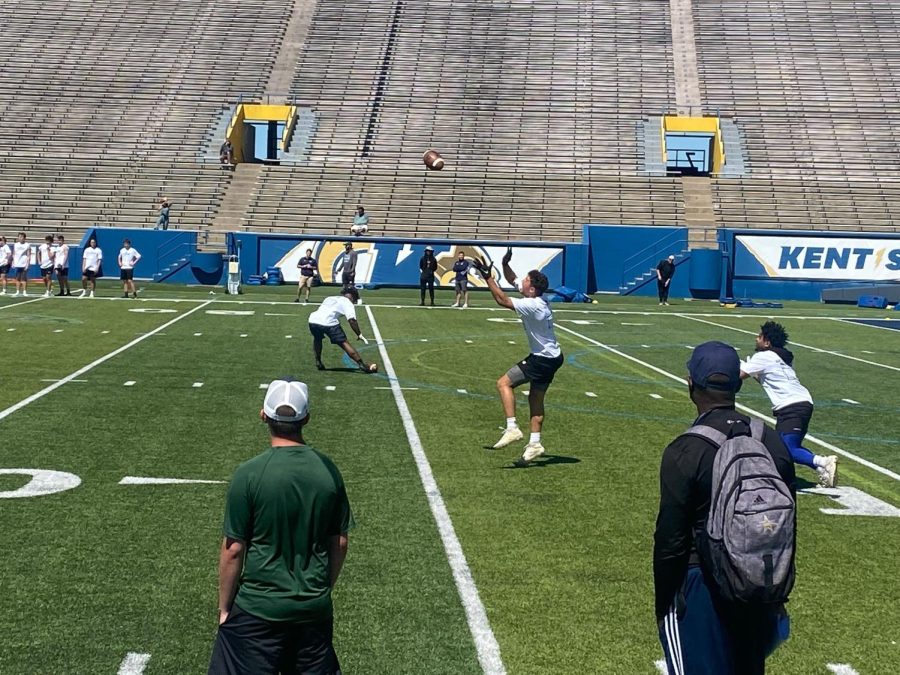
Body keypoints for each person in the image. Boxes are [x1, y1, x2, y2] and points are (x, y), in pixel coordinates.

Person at [655, 341, 795, 675]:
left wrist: (664, 604)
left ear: (692, 384)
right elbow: (786, 524)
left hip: (701, 583)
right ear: (738, 383)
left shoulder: (686, 449)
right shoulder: (770, 440)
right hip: (758, 584)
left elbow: (671, 539)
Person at [208, 378, 353, 675]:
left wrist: (224, 609)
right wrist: (320, 590)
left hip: (257, 610)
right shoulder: (328, 472)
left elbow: (234, 550)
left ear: (263, 415)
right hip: (313, 610)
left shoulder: (248, 474)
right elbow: (339, 542)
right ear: (307, 418)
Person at [471, 250, 563, 466]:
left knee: (504, 383)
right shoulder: (538, 298)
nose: (521, 281)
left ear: (531, 288)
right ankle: (535, 444)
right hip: (553, 357)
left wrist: (487, 277)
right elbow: (512, 280)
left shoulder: (532, 306)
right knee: (535, 399)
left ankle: (512, 428)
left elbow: (501, 300)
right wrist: (504, 264)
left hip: (540, 359)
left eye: (526, 280)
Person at [741, 321, 837, 488]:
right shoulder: (781, 357)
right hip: (801, 404)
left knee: (785, 449)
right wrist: (755, 372)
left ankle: (823, 461)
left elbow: (739, 375)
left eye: (759, 336)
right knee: (788, 446)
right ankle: (822, 469)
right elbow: (769, 379)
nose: (756, 339)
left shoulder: (763, 357)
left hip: (791, 407)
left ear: (767, 341)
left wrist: (737, 365)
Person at [308, 287, 374, 373]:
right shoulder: (347, 303)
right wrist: (359, 334)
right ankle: (361, 364)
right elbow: (352, 320)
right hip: (329, 322)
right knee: (344, 343)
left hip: (313, 320)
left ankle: (318, 361)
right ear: (353, 296)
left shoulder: (330, 298)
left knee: (317, 339)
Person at [11, 232, 31, 297]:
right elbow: (13, 254)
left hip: (24, 264)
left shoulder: (27, 245)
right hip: (17, 264)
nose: (20, 238)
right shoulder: (15, 244)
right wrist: (13, 262)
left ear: (24, 238)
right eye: (19, 237)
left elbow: (29, 255)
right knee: (17, 278)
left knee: (24, 279)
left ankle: (24, 291)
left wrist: (27, 264)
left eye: (22, 237)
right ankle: (17, 291)